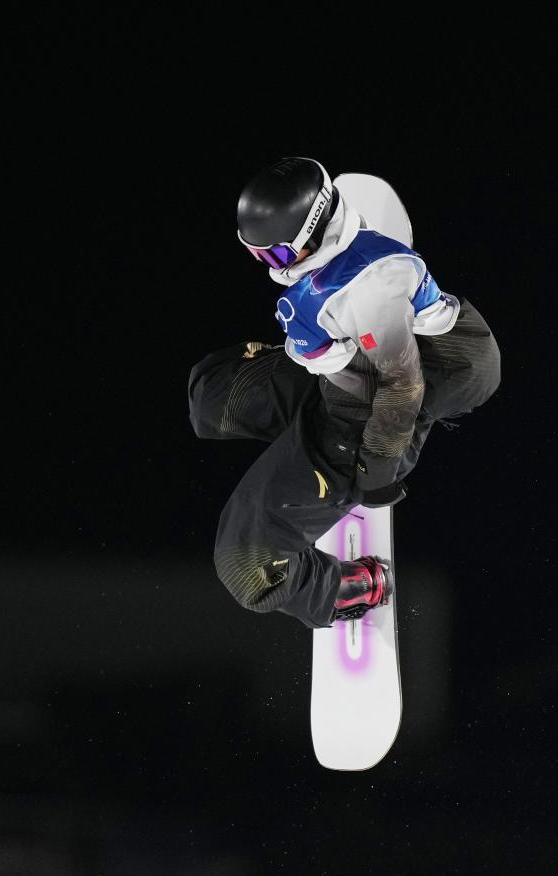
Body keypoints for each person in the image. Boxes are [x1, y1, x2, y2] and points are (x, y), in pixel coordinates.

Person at [188, 157, 501, 629]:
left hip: (367, 413)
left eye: (275, 256)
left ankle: (349, 586)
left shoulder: (371, 292)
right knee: (209, 394)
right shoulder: (329, 244)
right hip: (345, 369)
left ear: (311, 233)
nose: (269, 266)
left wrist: (376, 471)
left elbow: (403, 386)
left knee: (245, 567)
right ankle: (299, 441)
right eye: (257, 255)